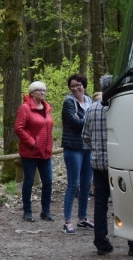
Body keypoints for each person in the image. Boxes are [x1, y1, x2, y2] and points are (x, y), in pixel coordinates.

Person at [82, 75, 133, 257]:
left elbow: (85, 136)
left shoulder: (91, 109)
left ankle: (101, 243)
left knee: (100, 205)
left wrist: (98, 149)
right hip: (120, 164)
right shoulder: (124, 108)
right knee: (128, 203)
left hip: (98, 164)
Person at [14, 81, 54, 223]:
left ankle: (46, 210)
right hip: (30, 152)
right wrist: (32, 142)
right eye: (39, 90)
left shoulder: (47, 107)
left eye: (44, 90)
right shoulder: (25, 108)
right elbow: (19, 128)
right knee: (29, 182)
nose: (43, 92)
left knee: (48, 182)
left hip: (46, 152)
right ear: (32, 93)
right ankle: (27, 211)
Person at [61, 74, 93, 234]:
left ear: (84, 85)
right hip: (73, 147)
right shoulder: (68, 102)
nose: (75, 88)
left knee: (86, 184)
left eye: (78, 85)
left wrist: (83, 118)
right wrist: (87, 120)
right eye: (72, 86)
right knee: (73, 185)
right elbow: (75, 123)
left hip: (88, 147)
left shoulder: (90, 101)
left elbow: (88, 121)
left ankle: (83, 218)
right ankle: (67, 221)